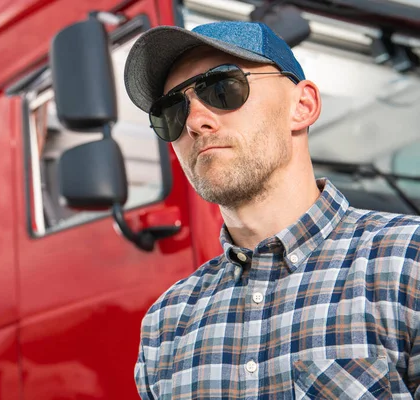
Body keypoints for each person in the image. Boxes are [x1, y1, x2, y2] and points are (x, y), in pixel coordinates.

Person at [123, 20, 420, 399]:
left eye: (221, 87)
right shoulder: (165, 325)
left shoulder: (408, 263)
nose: (195, 122)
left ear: (303, 106)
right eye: (171, 111)